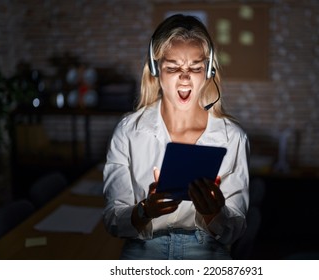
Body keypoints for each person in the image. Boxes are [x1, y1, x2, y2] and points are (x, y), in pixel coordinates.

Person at [103, 14, 250, 260]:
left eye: (195, 67)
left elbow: (235, 228)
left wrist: (215, 214)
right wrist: (143, 211)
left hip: (206, 250)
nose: (185, 77)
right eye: (172, 68)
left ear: (209, 70)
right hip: (144, 249)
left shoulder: (231, 137)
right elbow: (112, 219)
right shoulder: (128, 131)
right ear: (155, 69)